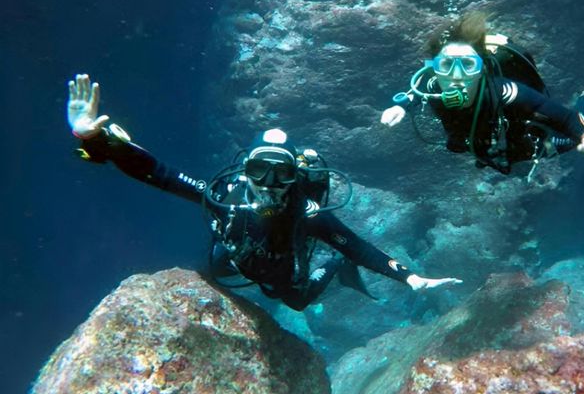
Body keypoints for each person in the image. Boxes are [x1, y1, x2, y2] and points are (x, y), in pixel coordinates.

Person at [67, 74, 461, 311]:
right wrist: (96, 140)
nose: (270, 182)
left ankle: (333, 268)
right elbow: (161, 174)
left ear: (295, 176)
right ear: (245, 170)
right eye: (260, 170)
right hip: (238, 258)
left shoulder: (307, 213)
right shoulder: (227, 197)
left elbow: (357, 247)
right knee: (215, 269)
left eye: (281, 172)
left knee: (294, 301)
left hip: (283, 271)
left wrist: (411, 279)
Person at [381, 12, 584, 176]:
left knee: (578, 127)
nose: (455, 76)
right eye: (446, 65)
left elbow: (566, 119)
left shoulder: (505, 91)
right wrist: (401, 107)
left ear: (481, 67)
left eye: (467, 65)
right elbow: (414, 94)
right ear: (434, 68)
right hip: (494, 152)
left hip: (533, 145)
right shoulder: (429, 85)